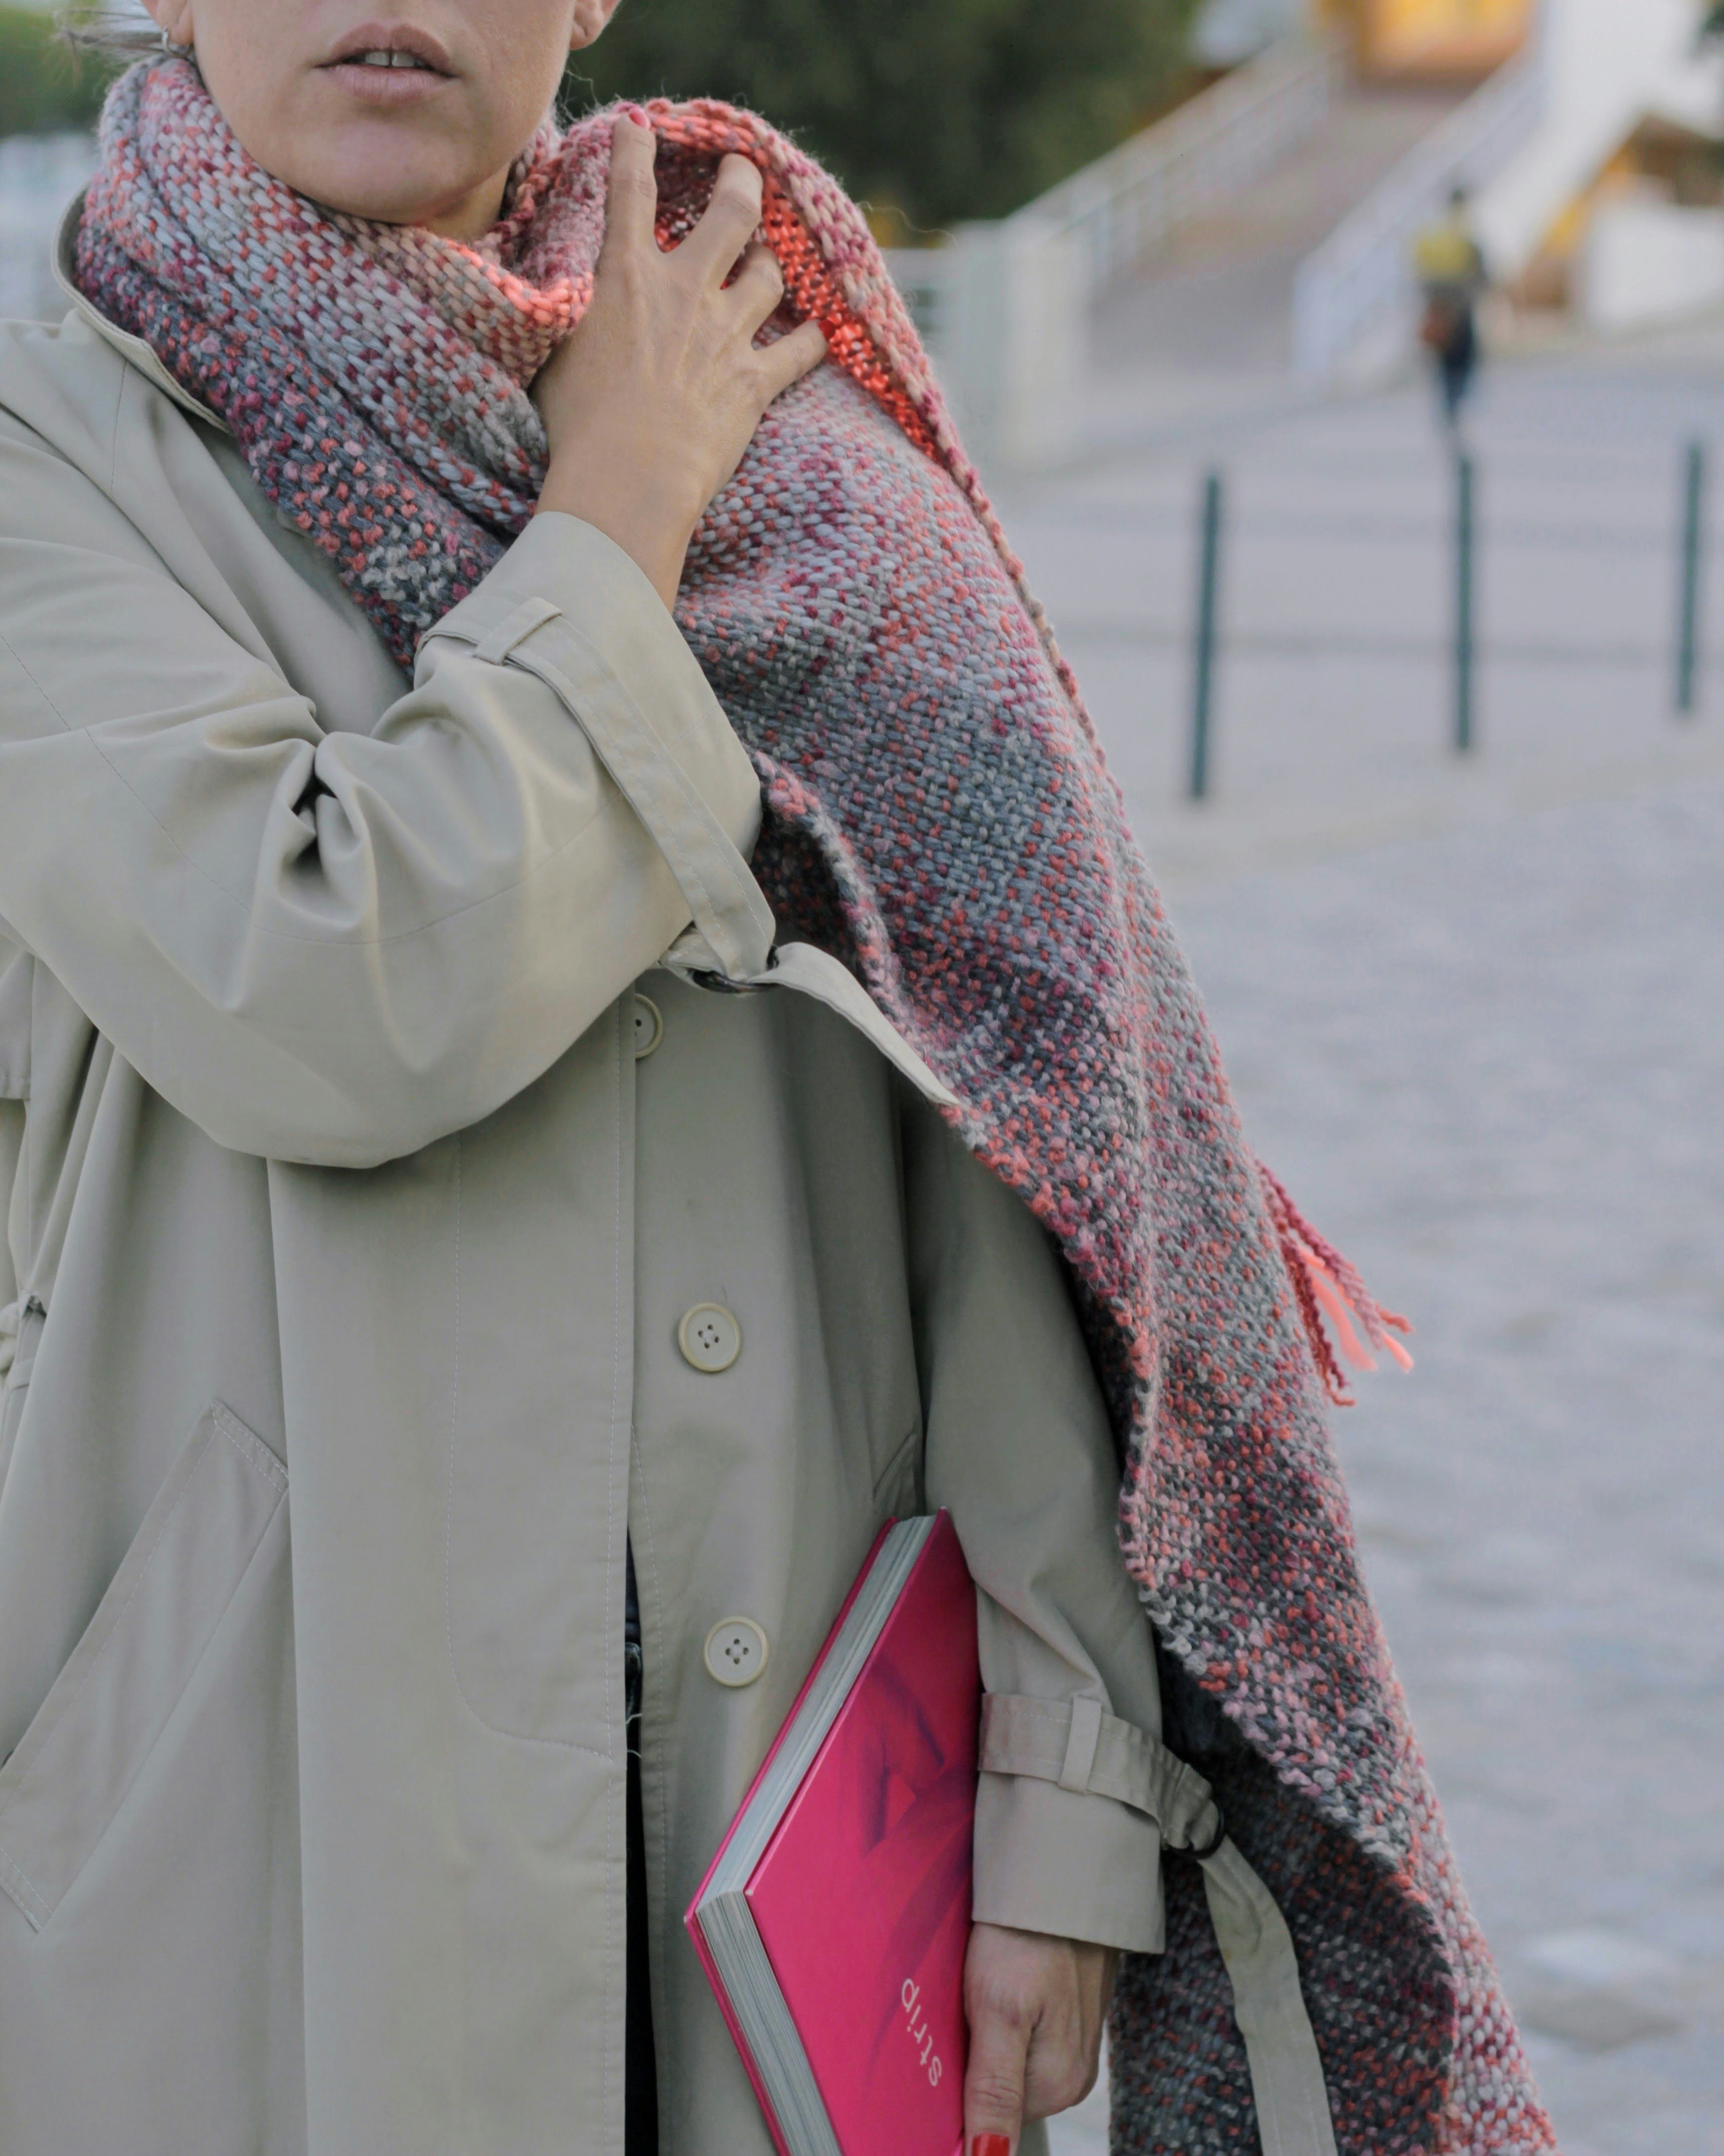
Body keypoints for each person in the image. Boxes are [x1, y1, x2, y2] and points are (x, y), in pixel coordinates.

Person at [0, 6, 1554, 2156]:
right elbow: (331, 975)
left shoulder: (768, 382)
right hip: (261, 1819)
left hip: (797, 1798)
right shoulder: (53, 432)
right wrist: (619, 504)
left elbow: (1002, 1119)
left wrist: (1056, 1773)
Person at [1415, 184, 1488, 428]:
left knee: (1444, 367)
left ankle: (1448, 408)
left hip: (1438, 314)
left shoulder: (1433, 237)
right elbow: (1483, 278)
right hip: (1462, 315)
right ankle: (1457, 408)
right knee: (1465, 365)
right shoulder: (1466, 238)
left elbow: (1420, 276)